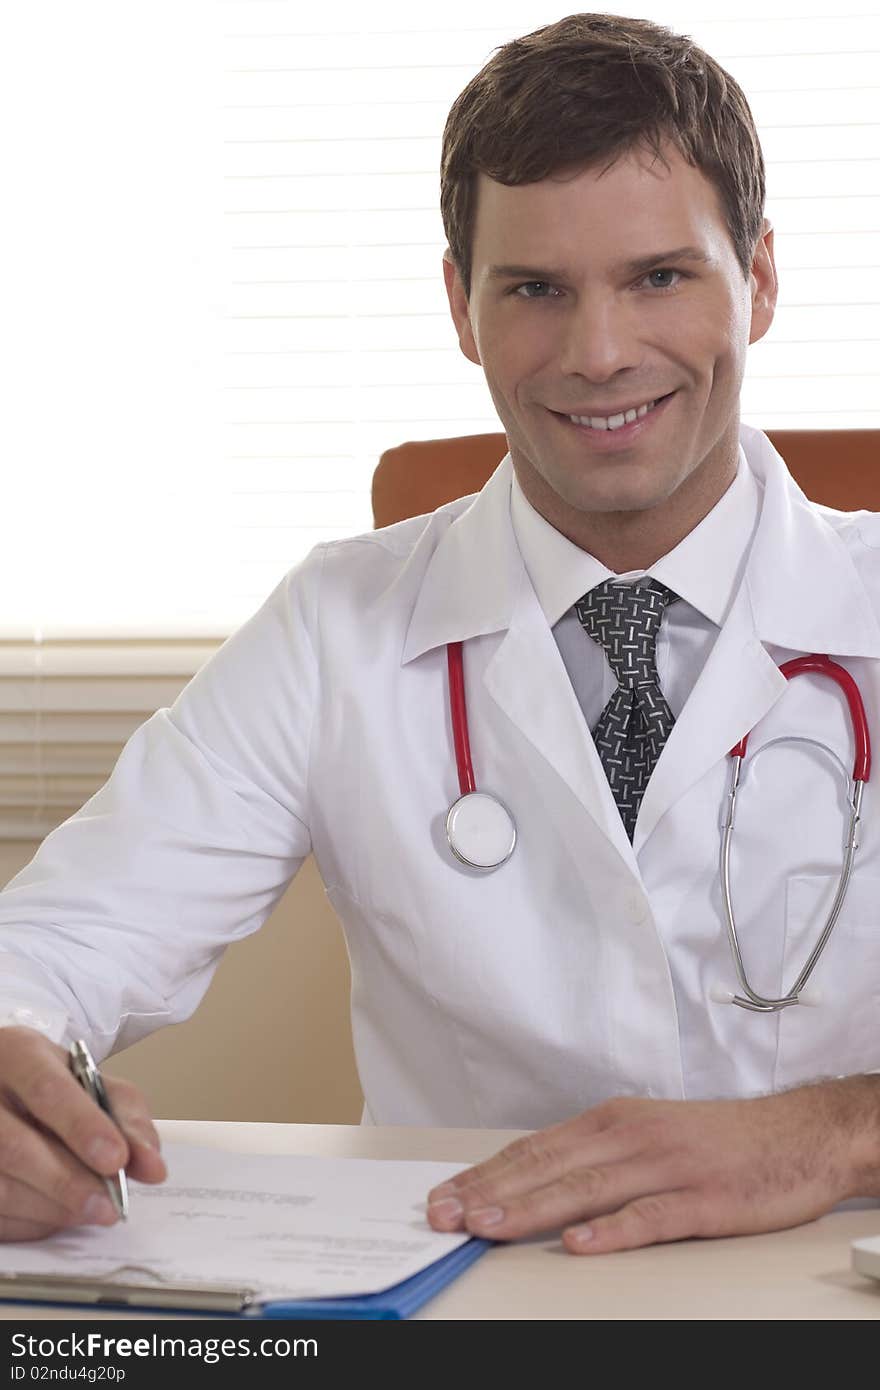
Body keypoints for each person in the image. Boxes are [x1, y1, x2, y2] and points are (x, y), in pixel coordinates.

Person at [0, 12, 878, 1255]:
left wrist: (836, 1132)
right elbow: (64, 939)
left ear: (764, 279)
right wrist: (14, 1058)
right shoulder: (336, 624)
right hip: (473, 1294)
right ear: (462, 305)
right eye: (534, 289)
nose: (600, 353)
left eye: (659, 277)